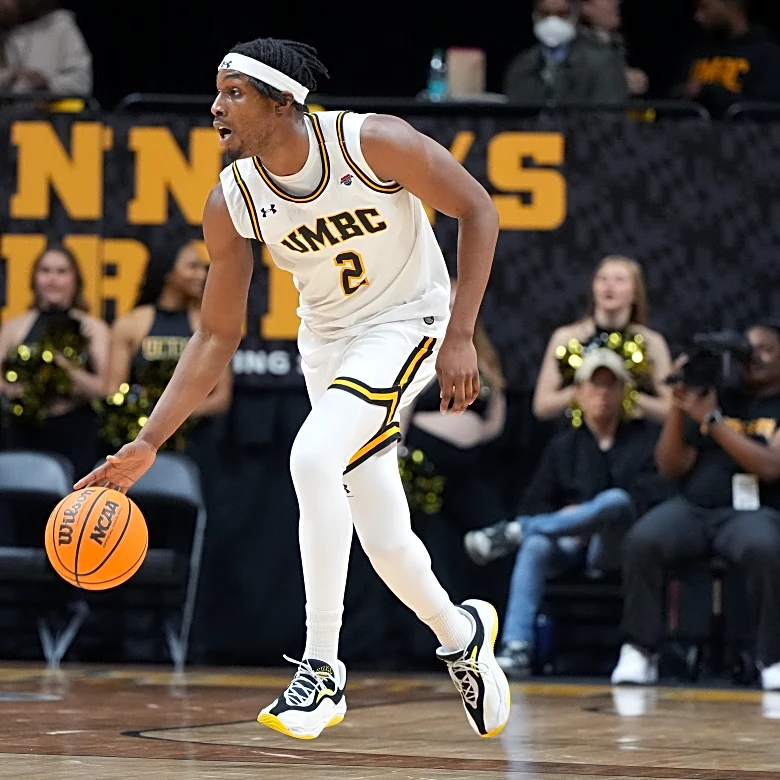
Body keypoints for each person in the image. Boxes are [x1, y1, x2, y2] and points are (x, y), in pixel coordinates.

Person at [75, 37, 510, 740]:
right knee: (385, 539)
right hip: (328, 346)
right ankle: (462, 635)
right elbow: (215, 336)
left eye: (234, 93)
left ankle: (321, 668)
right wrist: (148, 441)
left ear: (284, 102)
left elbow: (478, 208)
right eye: (216, 92)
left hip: (409, 322)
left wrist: (461, 335)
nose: (215, 107)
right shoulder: (233, 198)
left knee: (312, 457)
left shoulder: (371, 142)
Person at [464, 349, 667, 678]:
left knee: (615, 500)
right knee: (535, 546)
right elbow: (535, 502)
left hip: (615, 546)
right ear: (580, 392)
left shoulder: (643, 441)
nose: (602, 393)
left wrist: (590, 519)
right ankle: (517, 646)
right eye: (594, 385)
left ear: (623, 392)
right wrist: (570, 520)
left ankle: (516, 531)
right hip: (568, 545)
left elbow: (646, 500)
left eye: (610, 385)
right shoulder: (564, 446)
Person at [611, 324, 780, 691]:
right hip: (694, 508)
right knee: (643, 539)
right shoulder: (713, 394)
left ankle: (772, 658)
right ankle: (640, 649)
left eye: (766, 349)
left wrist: (713, 421)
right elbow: (670, 467)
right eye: (748, 349)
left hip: (751, 513)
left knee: (766, 547)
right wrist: (679, 403)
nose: (754, 357)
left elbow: (771, 466)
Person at [0, 244, 108, 475]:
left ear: (75, 280)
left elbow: (106, 388)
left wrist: (63, 367)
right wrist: (13, 391)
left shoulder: (93, 329)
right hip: (23, 430)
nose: (53, 279)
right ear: (34, 279)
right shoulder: (14, 327)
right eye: (45, 271)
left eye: (61, 272)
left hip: (76, 432)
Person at [105, 240, 232, 428]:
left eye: (203, 268)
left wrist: (172, 416)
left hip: (196, 436)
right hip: (140, 431)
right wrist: (145, 421)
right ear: (168, 272)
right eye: (192, 267)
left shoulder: (211, 325)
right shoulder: (130, 324)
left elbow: (221, 397)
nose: (202, 275)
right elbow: (113, 390)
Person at [533, 255, 672, 423]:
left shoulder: (651, 342)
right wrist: (583, 393)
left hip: (633, 434)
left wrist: (627, 396)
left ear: (635, 293)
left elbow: (670, 409)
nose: (609, 285)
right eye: (603, 279)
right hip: (579, 433)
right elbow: (541, 406)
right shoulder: (567, 338)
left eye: (619, 279)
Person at [503, 0, 628, 104]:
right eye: (545, 14)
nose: (552, 21)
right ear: (534, 16)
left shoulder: (603, 63)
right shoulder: (521, 66)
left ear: (575, 16)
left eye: (561, 14)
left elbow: (608, 117)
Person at [676, 0, 780, 117]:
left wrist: (708, 92)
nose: (698, 16)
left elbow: (764, 112)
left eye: (704, 7)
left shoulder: (767, 55)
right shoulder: (698, 52)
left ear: (730, 4)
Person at [0, 0, 92, 96]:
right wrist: (8, 77)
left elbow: (81, 82)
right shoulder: (6, 33)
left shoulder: (60, 26)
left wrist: (47, 84)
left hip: (54, 104)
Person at [579, 0, 649, 96]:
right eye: (607, 1)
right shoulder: (577, 47)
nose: (616, 3)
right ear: (586, 7)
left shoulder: (618, 45)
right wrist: (619, 79)